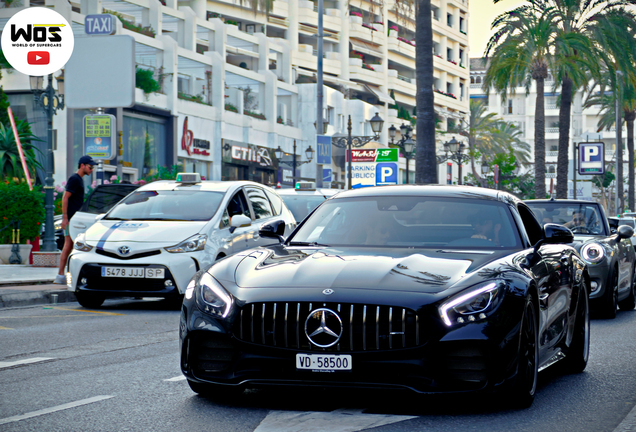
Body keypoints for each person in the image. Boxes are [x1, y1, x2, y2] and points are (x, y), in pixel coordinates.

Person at [54, 156, 97, 284]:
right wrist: (65, 218)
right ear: (82, 165)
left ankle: (64, 274)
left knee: (71, 245)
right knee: (68, 245)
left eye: (92, 167)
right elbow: (65, 197)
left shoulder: (79, 179)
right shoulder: (75, 179)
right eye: (90, 167)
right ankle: (60, 275)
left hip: (75, 219)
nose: (91, 170)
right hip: (71, 219)